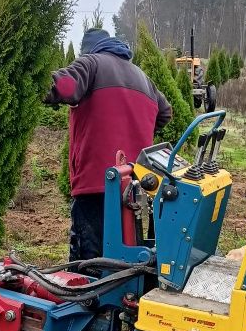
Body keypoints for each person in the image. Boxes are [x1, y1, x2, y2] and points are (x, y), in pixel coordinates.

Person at [45, 28, 172, 261]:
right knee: (126, 248)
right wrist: (135, 127)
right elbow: (165, 113)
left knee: (89, 259)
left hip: (96, 180)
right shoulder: (142, 76)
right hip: (135, 181)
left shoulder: (90, 63)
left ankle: (89, 296)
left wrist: (36, 83)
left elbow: (66, 87)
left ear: (88, 49)